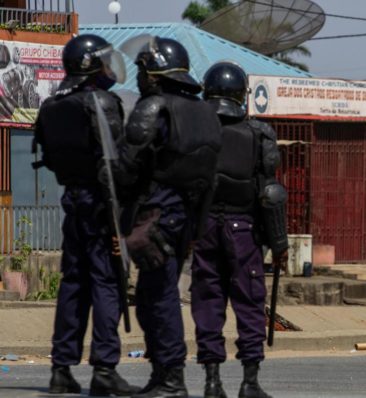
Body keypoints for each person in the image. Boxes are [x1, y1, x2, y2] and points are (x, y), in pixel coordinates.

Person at [116, 36, 222, 398]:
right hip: (186, 219)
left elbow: (127, 166)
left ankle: (171, 378)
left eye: (143, 70)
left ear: (155, 73)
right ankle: (163, 373)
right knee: (152, 298)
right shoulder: (206, 112)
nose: (140, 77)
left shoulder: (155, 107)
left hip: (157, 215)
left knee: (158, 299)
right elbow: (210, 178)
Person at [33, 34, 139, 395]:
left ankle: (61, 368)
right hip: (102, 203)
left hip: (73, 202)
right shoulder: (101, 101)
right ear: (90, 65)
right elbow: (116, 162)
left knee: (73, 285)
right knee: (107, 283)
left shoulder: (51, 106)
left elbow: (48, 156)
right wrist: (123, 219)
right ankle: (105, 369)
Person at [190, 61, 289, 398]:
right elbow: (271, 193)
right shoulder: (259, 133)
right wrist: (279, 244)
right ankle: (249, 382)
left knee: (208, 301)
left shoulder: (195, 130)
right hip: (243, 230)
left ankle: (212, 382)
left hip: (203, 229)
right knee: (248, 303)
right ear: (241, 94)